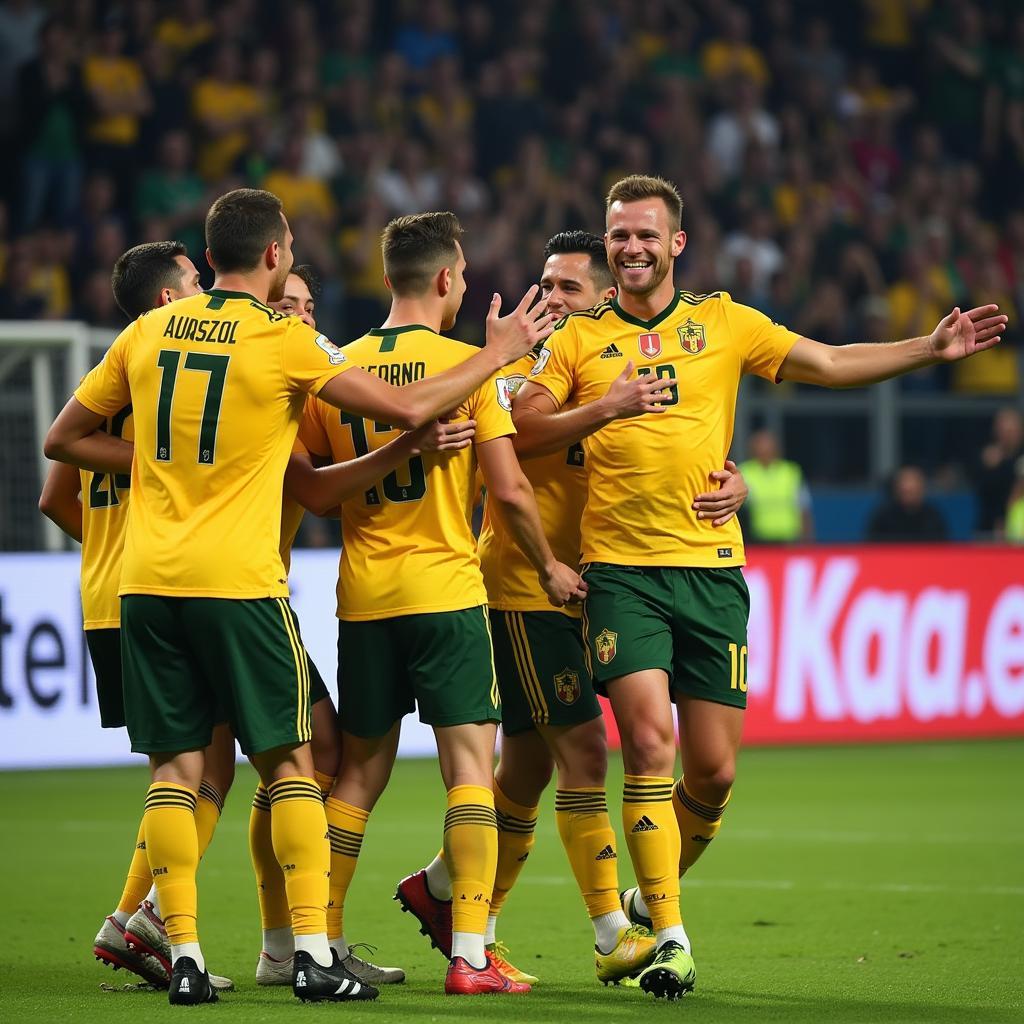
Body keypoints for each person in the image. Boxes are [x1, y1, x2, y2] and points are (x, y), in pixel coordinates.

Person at [42, 187, 550, 1005]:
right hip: (240, 583)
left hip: (146, 582)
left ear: (208, 259)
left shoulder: (143, 332)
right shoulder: (286, 342)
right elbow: (409, 406)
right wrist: (495, 354)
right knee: (293, 764)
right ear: (275, 257)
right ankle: (312, 951)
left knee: (177, 770)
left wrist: (163, 467)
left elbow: (60, 440)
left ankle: (185, 958)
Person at [512, 174, 1005, 999]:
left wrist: (928, 349)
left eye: (645, 234)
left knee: (712, 773)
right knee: (648, 743)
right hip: (623, 574)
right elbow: (523, 423)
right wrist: (607, 408)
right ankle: (668, 935)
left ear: (677, 244)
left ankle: (644, 892)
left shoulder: (725, 322)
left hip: (712, 572)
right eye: (618, 236)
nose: (630, 247)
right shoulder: (577, 341)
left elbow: (829, 360)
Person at [397, 230, 750, 986]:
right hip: (531, 585)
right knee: (586, 753)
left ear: (604, 301)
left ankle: (448, 898)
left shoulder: (623, 362)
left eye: (568, 288)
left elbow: (674, 447)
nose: (552, 298)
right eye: (546, 284)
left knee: (524, 770)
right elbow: (514, 460)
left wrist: (734, 479)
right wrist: (549, 561)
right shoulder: (523, 372)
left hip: (601, 583)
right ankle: (613, 931)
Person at [292, 211, 585, 997]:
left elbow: (314, 490)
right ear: (449, 280)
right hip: (449, 593)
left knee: (357, 775)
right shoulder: (471, 368)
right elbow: (513, 488)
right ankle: (470, 955)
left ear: (391, 278)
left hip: (363, 596)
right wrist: (549, 563)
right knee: (468, 772)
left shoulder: (335, 369)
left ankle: (316, 940)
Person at [39, 240, 234, 993]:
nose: (206, 290)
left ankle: (136, 916)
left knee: (200, 761)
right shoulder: (161, 376)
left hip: (107, 595)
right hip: (164, 592)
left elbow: (54, 497)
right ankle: (155, 925)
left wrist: (106, 548)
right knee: (188, 767)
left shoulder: (110, 378)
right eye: (194, 281)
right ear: (166, 300)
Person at [739, 429, 813, 542]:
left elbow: (803, 507)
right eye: (759, 446)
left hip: (789, 538)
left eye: (767, 446)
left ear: (775, 448)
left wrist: (807, 539)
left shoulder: (791, 472)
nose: (764, 450)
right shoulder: (745, 471)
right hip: (757, 538)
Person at [865, 465, 949, 542]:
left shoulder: (933, 517)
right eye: (904, 490)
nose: (908, 488)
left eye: (912, 490)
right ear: (896, 488)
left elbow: (941, 548)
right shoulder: (882, 517)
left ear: (922, 489)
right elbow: (872, 548)